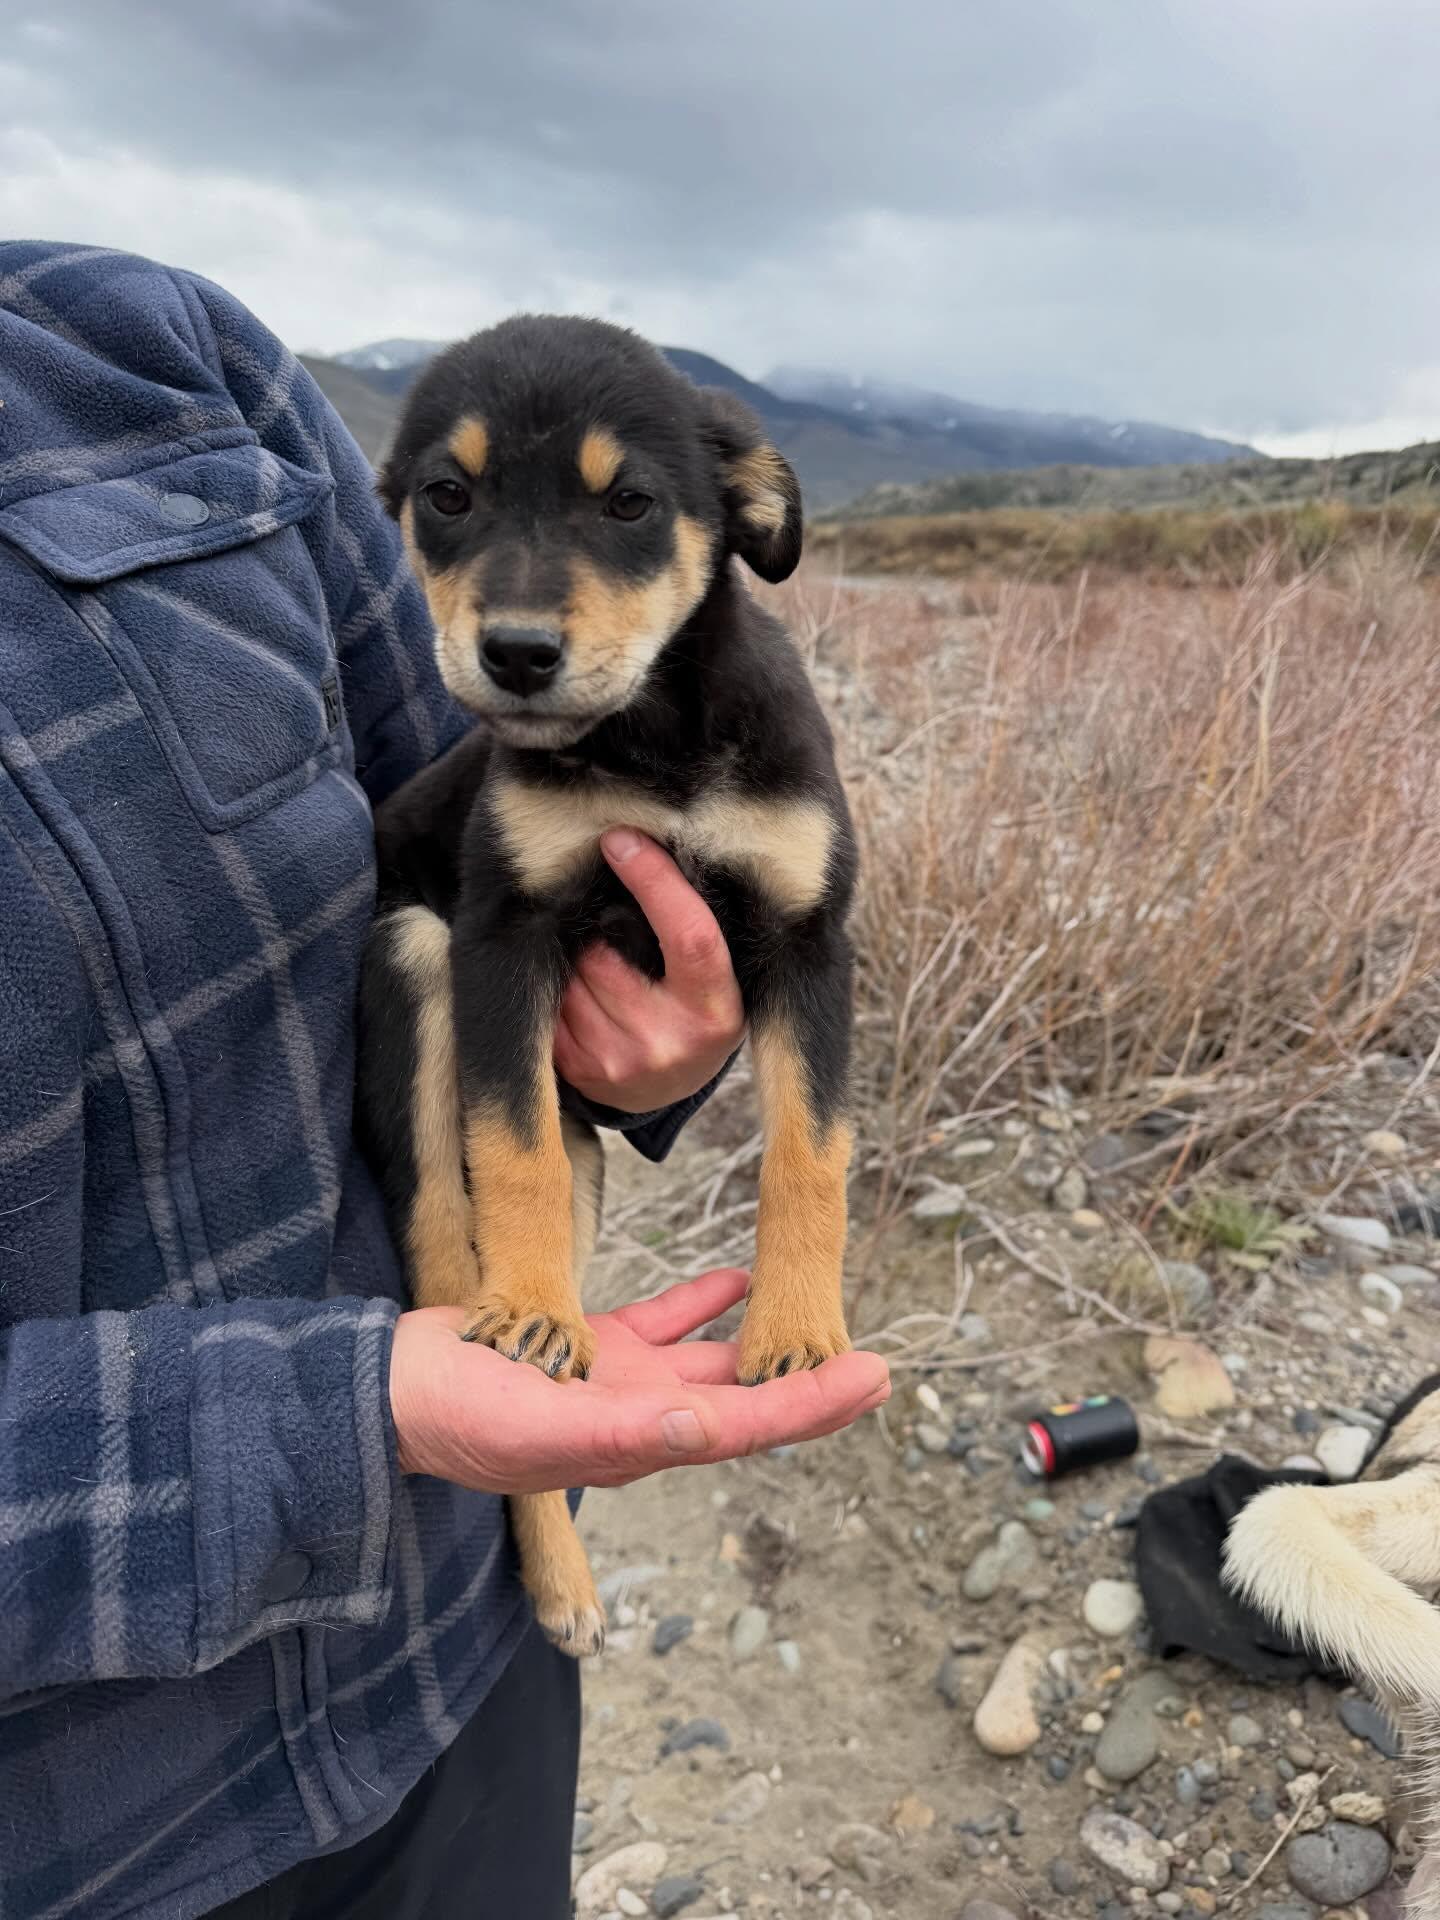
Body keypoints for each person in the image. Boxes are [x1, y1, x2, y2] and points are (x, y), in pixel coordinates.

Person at [0, 243, 891, 1920]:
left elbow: (446, 791)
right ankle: (540, 1500)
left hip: (448, 1655)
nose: (522, 604)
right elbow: (480, 915)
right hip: (94, 1833)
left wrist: (651, 1069)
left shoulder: (155, 357)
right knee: (429, 963)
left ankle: (532, 1516)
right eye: (457, 516)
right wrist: (377, 1390)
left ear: (742, 520)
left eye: (627, 517)